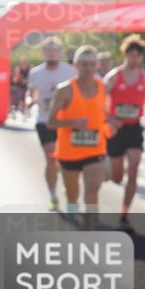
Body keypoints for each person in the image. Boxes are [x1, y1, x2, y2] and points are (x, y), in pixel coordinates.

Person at [47, 46, 119, 227]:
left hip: (95, 149)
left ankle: (90, 228)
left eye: (92, 64)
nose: (88, 68)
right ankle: (72, 212)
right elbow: (50, 121)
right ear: (75, 65)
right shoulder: (65, 90)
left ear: (97, 66)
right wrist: (73, 123)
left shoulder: (104, 88)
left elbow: (104, 112)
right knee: (73, 195)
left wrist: (111, 122)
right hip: (68, 152)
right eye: (84, 64)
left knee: (92, 191)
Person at [103, 34, 145, 233]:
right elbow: (99, 100)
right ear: (125, 54)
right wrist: (109, 118)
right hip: (116, 128)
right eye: (131, 54)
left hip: (134, 128)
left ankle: (124, 214)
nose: (134, 58)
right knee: (117, 177)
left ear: (141, 57)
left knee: (133, 171)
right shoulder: (114, 76)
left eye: (138, 55)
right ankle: (111, 173)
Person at [26, 37, 76, 211]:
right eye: (48, 50)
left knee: (66, 161)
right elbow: (32, 93)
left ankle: (69, 191)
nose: (52, 53)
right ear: (43, 53)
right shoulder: (35, 73)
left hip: (66, 122)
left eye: (55, 50)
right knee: (51, 158)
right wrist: (30, 101)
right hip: (44, 121)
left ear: (60, 53)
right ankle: (53, 194)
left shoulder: (70, 72)